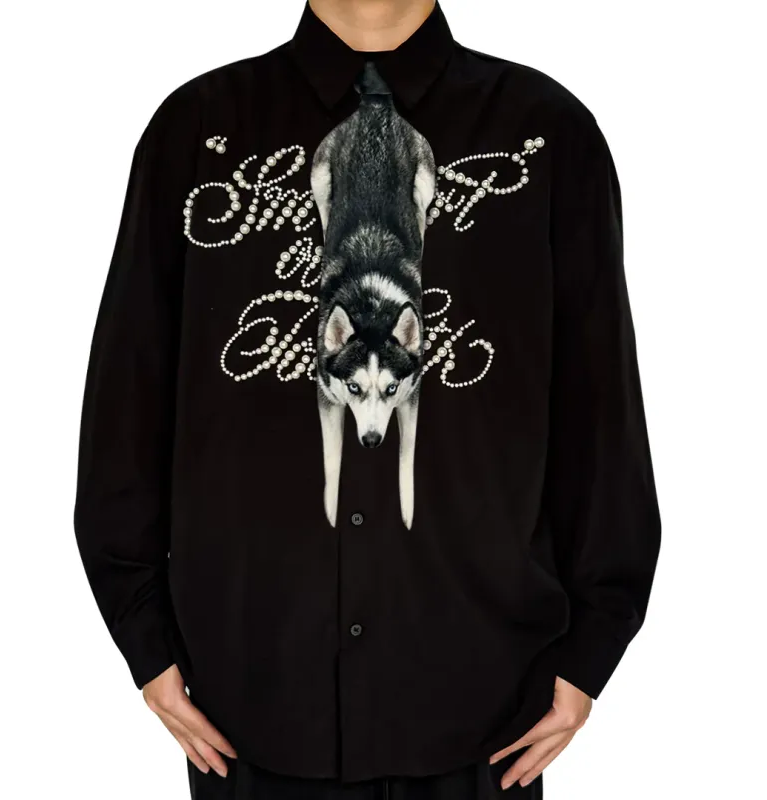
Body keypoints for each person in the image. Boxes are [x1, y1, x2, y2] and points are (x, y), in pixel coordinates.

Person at [73, 1, 661, 797]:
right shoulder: (194, 131)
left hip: (484, 712)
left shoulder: (550, 135)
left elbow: (602, 412)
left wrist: (592, 651)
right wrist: (144, 638)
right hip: (247, 713)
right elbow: (128, 402)